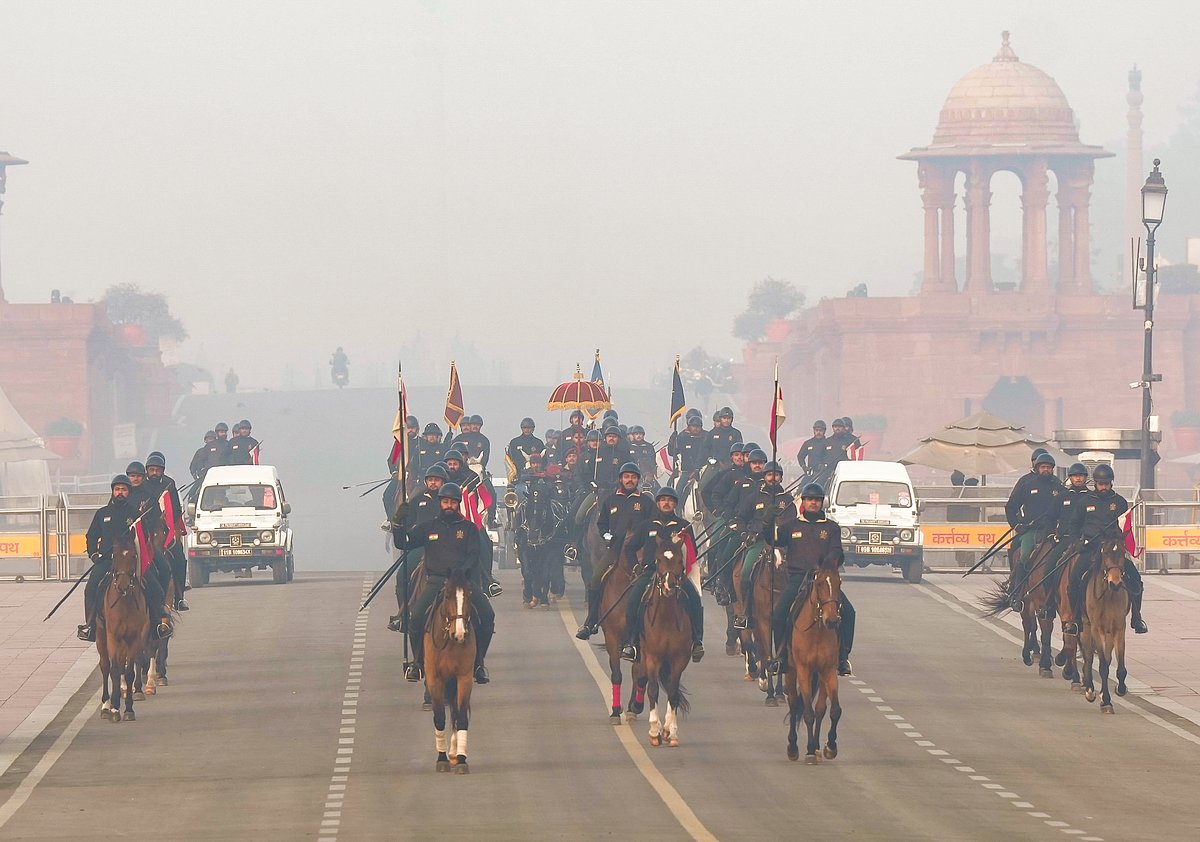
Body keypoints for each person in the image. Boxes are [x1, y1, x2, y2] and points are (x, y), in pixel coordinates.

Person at [395, 483, 495, 684]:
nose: (449, 505)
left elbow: (474, 555)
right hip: (436, 581)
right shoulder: (429, 527)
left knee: (487, 615)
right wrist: (398, 524)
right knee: (415, 619)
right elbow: (403, 544)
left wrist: (461, 572)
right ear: (440, 503)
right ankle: (418, 663)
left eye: (452, 502)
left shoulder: (468, 528)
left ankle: (479, 663)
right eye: (445, 502)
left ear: (458, 504)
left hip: (462, 583)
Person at [766, 482, 855, 676]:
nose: (813, 503)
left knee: (848, 612)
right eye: (810, 499)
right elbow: (773, 541)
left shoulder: (831, 528)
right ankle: (780, 656)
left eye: (817, 500)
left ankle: (842, 657)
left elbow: (837, 551)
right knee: (779, 613)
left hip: (823, 579)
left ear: (822, 503)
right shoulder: (791, 526)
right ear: (803, 502)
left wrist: (828, 562)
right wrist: (768, 522)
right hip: (798, 578)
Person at [77, 475, 172, 642]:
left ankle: (158, 625)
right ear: (113, 491)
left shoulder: (136, 514)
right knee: (91, 588)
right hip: (106, 561)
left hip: (131, 562)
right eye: (117, 489)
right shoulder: (102, 513)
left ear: (129, 492)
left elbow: (145, 538)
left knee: (154, 587)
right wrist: (94, 555)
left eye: (124, 490)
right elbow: (91, 537)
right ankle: (90, 625)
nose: (120, 492)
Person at [619, 486, 705, 663]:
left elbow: (692, 551)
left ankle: (697, 641)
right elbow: (630, 548)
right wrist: (636, 566)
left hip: (676, 576)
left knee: (695, 600)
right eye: (663, 500)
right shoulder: (647, 525)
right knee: (633, 601)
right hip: (651, 572)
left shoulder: (683, 526)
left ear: (674, 504)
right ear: (658, 503)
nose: (667, 503)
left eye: (670, 500)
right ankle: (632, 642)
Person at [575, 464, 653, 639]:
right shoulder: (610, 500)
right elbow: (601, 524)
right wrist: (607, 536)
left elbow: (654, 524)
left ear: (638, 480)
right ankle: (591, 621)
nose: (630, 480)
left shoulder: (646, 502)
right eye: (626, 477)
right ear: (621, 479)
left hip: (640, 550)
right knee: (596, 578)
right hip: (617, 548)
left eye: (633, 477)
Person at [1067, 464, 1147, 634]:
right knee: (1073, 580)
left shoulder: (1119, 502)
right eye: (1100, 484)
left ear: (1111, 483)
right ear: (1095, 483)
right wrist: (1077, 542)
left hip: (1112, 549)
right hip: (1090, 547)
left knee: (1136, 580)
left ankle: (1136, 617)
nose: (1103, 487)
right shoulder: (1085, 501)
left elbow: (1124, 528)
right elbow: (1074, 525)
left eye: (1106, 484)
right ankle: (1075, 620)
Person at [387, 464, 449, 632]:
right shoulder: (417, 499)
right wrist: (400, 523)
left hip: (446, 547)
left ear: (443, 482)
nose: (433, 483)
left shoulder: (450, 499)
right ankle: (404, 617)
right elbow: (408, 525)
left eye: (437, 480)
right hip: (421, 545)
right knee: (402, 577)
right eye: (430, 480)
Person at [732, 461, 793, 629]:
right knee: (745, 573)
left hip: (781, 544)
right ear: (764, 477)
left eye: (776, 475)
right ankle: (746, 612)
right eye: (769, 475)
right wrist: (746, 534)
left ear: (781, 477)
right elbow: (740, 519)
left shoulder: (787, 500)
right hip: (759, 542)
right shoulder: (754, 497)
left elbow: (792, 523)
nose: (772, 478)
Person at [1004, 451, 1062, 608]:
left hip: (1052, 531)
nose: (1046, 470)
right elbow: (1011, 507)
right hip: (1032, 530)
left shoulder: (1059, 486)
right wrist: (1017, 525)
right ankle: (1016, 592)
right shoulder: (1027, 485)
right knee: (1024, 555)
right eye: (1043, 467)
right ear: (1037, 468)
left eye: (1049, 467)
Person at [1037, 462, 1090, 618]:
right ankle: (1050, 604)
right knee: (1048, 571)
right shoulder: (1062, 496)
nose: (1078, 478)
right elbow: (1050, 518)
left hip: (1086, 541)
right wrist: (1051, 535)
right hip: (1066, 540)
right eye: (1075, 476)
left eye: (1081, 475)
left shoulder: (1092, 497)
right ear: (1070, 478)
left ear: (1086, 478)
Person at [145, 452, 189, 610]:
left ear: (162, 470)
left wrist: (166, 517)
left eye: (158, 470)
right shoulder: (142, 485)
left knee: (179, 558)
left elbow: (177, 509)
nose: (154, 473)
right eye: (152, 470)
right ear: (147, 470)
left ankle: (179, 596)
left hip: (165, 529)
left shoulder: (169, 484)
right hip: (145, 530)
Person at [668, 412, 708, 492]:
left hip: (703, 470)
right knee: (678, 491)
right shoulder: (682, 437)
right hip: (687, 471)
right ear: (689, 426)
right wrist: (671, 442)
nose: (695, 428)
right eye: (693, 426)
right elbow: (672, 453)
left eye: (698, 426)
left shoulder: (706, 437)